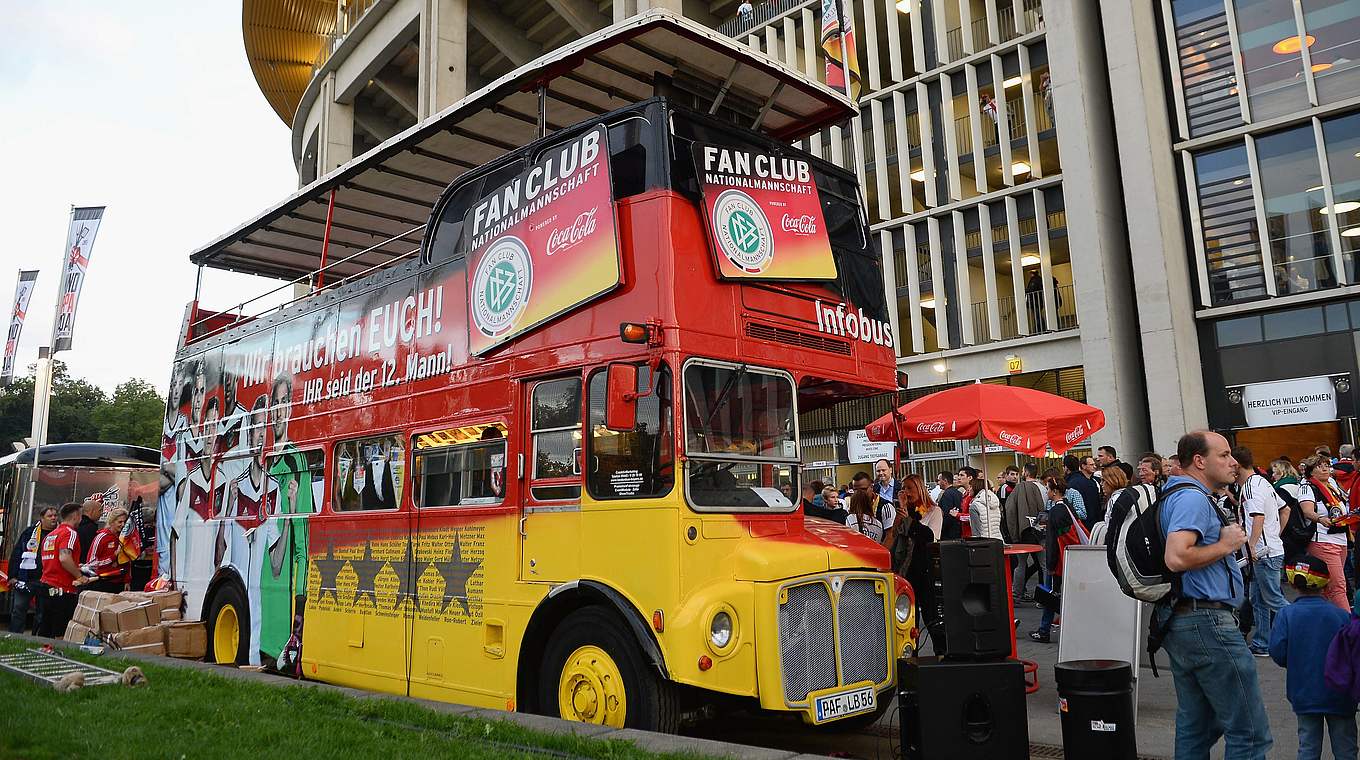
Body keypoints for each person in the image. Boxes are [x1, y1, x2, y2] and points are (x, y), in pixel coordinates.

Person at [1156, 431, 1270, 759]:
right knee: (1249, 732)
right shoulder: (1191, 498)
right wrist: (1225, 546)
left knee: (1198, 726)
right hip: (1206, 622)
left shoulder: (1181, 494)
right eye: (1223, 455)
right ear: (1199, 461)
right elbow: (1176, 557)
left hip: (1187, 618)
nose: (1233, 462)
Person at [1270, 555, 1358, 760]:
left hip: (1304, 691)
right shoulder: (1342, 616)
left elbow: (1277, 651)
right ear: (1326, 584)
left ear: (1293, 582)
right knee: (1346, 748)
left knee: (1308, 747)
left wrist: (1295, 661)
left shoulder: (1286, 614)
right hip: (1341, 694)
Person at [1234, 446, 1289, 657]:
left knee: (1273, 599)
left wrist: (1252, 546)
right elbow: (1286, 509)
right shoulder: (1262, 482)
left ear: (1237, 466)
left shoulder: (1251, 487)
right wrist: (1274, 536)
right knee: (1259, 600)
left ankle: (1307, 631)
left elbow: (1258, 517)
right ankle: (1262, 644)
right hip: (1268, 550)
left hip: (1263, 553)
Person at [1029, 478, 1084, 643]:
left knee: (1049, 595)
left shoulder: (1055, 512)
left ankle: (1044, 630)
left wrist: (1051, 565)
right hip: (1068, 557)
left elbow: (1054, 541)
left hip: (1058, 560)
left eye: (1048, 489)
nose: (1046, 492)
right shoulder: (1067, 506)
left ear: (1054, 491)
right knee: (1061, 595)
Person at [1298, 456, 1352, 610]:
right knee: (1338, 587)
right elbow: (1307, 511)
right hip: (1323, 539)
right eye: (1319, 466)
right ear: (1311, 471)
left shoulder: (1332, 485)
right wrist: (1320, 519)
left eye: (1327, 466)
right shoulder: (1308, 487)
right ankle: (1349, 628)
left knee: (1329, 588)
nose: (1325, 469)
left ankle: (1329, 622)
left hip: (1340, 538)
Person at [37, 503, 93, 638]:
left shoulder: (51, 535)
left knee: (45, 628)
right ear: (76, 516)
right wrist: (79, 576)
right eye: (81, 515)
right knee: (61, 632)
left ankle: (42, 653)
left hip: (46, 586)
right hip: (63, 589)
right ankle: (59, 656)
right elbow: (64, 557)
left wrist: (75, 565)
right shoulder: (70, 533)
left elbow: (53, 559)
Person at [7, 506, 58, 634]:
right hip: (26, 578)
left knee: (42, 613)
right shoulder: (30, 532)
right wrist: (12, 576)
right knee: (18, 608)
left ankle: (36, 639)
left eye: (55, 515)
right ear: (41, 518)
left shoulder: (59, 534)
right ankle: (14, 637)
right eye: (50, 516)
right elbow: (17, 553)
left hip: (47, 581)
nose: (53, 518)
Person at [1008, 464, 1047, 599]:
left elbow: (1010, 510)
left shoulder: (1018, 489)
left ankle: (1016, 594)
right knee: (1043, 565)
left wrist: (1013, 532)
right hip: (1041, 531)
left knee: (1021, 564)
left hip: (1023, 531)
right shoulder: (1043, 488)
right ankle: (1045, 594)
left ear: (1025, 472)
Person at [82, 507, 132, 594]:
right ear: (112, 522)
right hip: (102, 582)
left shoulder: (125, 538)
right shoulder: (102, 537)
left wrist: (127, 580)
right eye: (119, 522)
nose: (123, 525)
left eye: (125, 522)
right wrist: (113, 557)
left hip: (119, 583)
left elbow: (127, 561)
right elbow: (91, 563)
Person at [850, 471, 896, 547]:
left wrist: (879, 556)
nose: (859, 493)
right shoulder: (854, 505)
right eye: (855, 490)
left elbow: (890, 536)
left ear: (871, 487)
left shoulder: (886, 507)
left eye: (863, 489)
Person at [1066, 454, 1101, 526]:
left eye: (1094, 464)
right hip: (1086, 521)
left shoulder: (1093, 480)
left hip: (1091, 520)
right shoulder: (1076, 482)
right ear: (1083, 466)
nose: (1094, 466)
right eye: (1091, 465)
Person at [76, 496, 102, 562]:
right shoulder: (90, 528)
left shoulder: (76, 524)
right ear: (91, 511)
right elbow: (92, 549)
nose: (101, 514)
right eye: (99, 510)